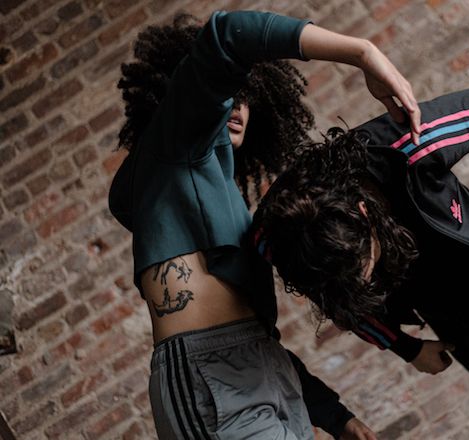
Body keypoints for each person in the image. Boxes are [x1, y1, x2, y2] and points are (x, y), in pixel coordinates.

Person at [108, 10, 421, 440]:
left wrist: (335, 417)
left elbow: (258, 339)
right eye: (225, 89)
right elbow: (226, 36)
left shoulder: (224, 204)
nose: (238, 101)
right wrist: (363, 53)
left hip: (268, 377)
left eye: (247, 93)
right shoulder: (172, 146)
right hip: (212, 381)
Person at [252, 85, 469, 439]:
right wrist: (407, 346)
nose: (362, 285)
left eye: (363, 269)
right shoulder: (277, 239)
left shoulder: (406, 145)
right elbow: (340, 301)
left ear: (363, 213)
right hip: (433, 301)